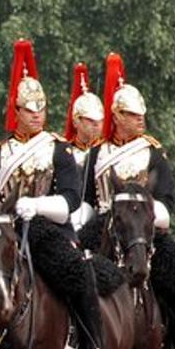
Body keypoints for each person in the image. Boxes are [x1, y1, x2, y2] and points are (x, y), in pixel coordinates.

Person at [0, 39, 123, 349]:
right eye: (30, 110)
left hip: (50, 234)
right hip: (8, 234)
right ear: (16, 111)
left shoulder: (57, 149)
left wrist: (37, 206)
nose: (37, 115)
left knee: (79, 276)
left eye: (41, 109)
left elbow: (71, 200)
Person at [84, 53, 175, 349]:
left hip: (145, 228)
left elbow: (167, 198)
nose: (140, 120)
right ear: (116, 116)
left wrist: (148, 219)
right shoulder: (96, 153)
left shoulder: (152, 151)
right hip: (104, 225)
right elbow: (86, 200)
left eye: (141, 114)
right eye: (131, 115)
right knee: (72, 272)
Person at [64, 62, 103, 231]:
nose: (96, 126)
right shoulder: (65, 153)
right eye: (90, 121)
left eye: (100, 121)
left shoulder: (106, 153)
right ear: (76, 121)